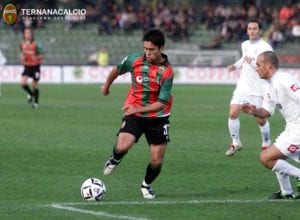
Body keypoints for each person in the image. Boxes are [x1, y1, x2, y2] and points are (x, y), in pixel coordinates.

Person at [101, 28, 174, 199]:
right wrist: (106, 86)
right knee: (122, 146)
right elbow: (117, 70)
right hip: (134, 112)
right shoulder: (134, 59)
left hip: (158, 117)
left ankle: (146, 185)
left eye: (152, 50)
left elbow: (161, 103)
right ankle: (115, 159)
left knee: (156, 161)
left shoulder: (167, 72)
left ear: (161, 48)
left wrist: (139, 109)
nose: (148, 53)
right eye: (146, 49)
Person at [241, 51, 300, 199]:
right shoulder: (268, 86)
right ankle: (286, 192)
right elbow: (267, 111)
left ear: (268, 65)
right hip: (291, 129)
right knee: (276, 157)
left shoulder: (284, 79)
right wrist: (254, 111)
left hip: (298, 130)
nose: (256, 68)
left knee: (266, 158)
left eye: (258, 65)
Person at [225, 19, 273, 156]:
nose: (252, 31)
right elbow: (243, 58)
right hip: (243, 86)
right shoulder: (244, 44)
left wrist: (252, 62)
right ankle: (235, 142)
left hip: (258, 88)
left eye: (255, 28)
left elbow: (267, 67)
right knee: (233, 112)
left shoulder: (265, 48)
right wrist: (235, 65)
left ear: (260, 31)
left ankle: (266, 143)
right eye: (250, 28)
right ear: (247, 31)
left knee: (260, 119)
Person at [20, 27, 43, 109]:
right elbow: (22, 53)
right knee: (22, 83)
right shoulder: (22, 43)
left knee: (34, 85)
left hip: (35, 67)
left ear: (31, 34)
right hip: (27, 67)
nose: (27, 34)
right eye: (26, 33)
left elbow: (41, 54)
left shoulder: (36, 44)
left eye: (29, 33)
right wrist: (22, 57)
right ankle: (31, 93)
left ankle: (36, 103)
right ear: (24, 34)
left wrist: (35, 57)